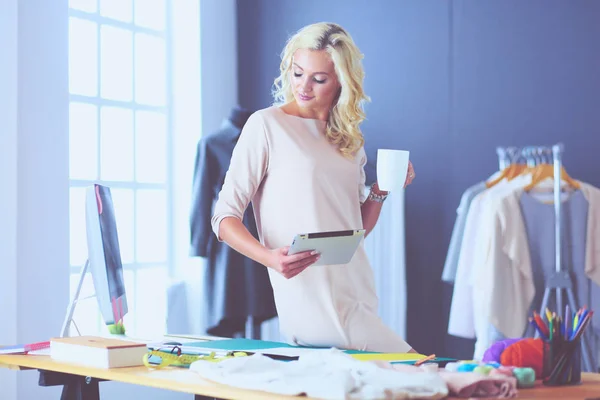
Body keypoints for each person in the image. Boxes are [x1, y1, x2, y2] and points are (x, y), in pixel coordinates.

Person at [210, 22, 416, 352]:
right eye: (297, 73)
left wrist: (381, 189)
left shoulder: (349, 138)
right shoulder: (266, 125)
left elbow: (354, 229)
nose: (304, 87)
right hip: (304, 292)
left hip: (354, 286)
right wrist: (268, 258)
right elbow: (223, 217)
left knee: (384, 383)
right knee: (413, 369)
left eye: (319, 79)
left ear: (341, 82)